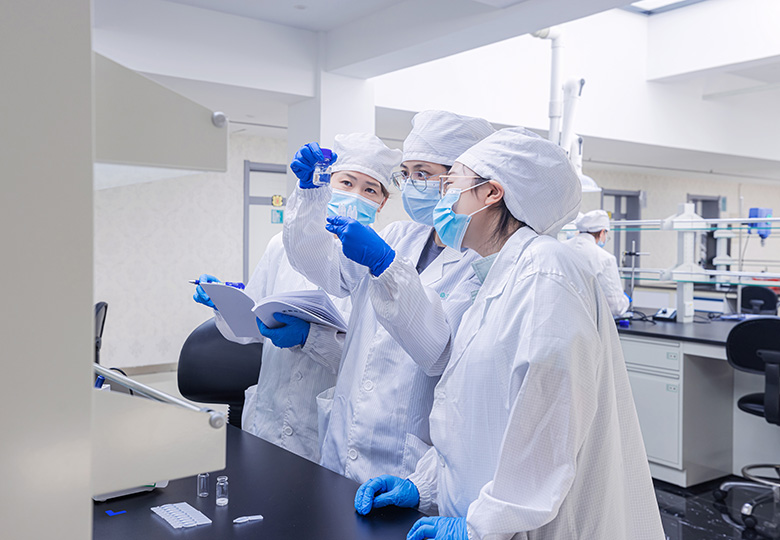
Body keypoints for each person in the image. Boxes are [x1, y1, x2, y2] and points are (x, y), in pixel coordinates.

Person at [353, 127, 665, 540]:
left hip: (524, 528)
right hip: (483, 516)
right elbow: (474, 415)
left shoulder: (547, 273)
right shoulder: (494, 275)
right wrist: (424, 485)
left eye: (450, 184)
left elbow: (548, 426)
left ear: (491, 193)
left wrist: (483, 527)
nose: (442, 197)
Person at [282, 112, 495, 483]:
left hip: (403, 455)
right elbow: (326, 269)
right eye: (407, 174)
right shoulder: (399, 235)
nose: (411, 185)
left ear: (461, 179)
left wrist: (386, 266)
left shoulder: (480, 264)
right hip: (344, 436)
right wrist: (311, 195)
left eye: (423, 174)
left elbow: (437, 352)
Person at [191, 132, 399, 463]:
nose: (355, 195)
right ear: (327, 183)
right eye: (346, 182)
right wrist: (225, 303)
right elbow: (248, 329)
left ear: (382, 203)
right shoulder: (281, 246)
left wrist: (310, 338)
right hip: (267, 418)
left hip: (322, 432)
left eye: (370, 189)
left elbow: (369, 364)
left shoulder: (377, 264)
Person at [566, 209, 630, 317]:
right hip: (587, 320)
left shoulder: (560, 248)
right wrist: (625, 300)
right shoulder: (605, 259)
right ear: (602, 232)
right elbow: (616, 307)